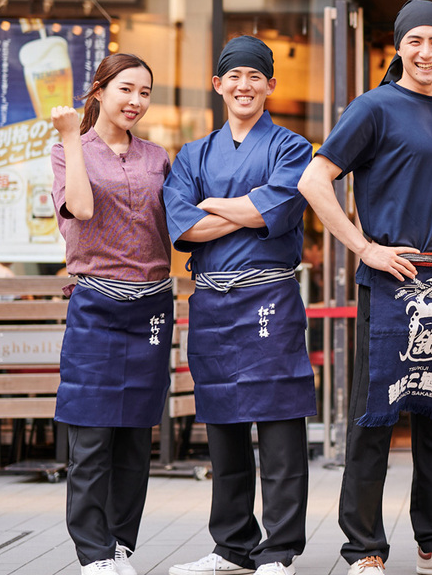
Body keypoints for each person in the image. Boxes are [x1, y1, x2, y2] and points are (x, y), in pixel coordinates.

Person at [297, 0, 432, 575]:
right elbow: (314, 179)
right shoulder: (374, 107)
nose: (426, 52)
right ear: (398, 47)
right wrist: (365, 248)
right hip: (389, 283)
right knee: (374, 418)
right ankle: (364, 549)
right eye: (415, 42)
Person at [164, 36, 316, 575]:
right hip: (210, 303)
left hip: (267, 294)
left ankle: (279, 550)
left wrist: (217, 207)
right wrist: (248, 209)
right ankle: (232, 547)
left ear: (271, 85)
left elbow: (280, 203)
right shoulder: (191, 154)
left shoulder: (292, 148)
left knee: (278, 424)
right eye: (235, 76)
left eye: (256, 76)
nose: (245, 85)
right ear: (218, 85)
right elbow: (183, 222)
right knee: (223, 425)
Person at [51, 53, 172, 575]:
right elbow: (79, 207)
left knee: (135, 434)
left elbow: (180, 222)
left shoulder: (157, 156)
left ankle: (121, 544)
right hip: (96, 303)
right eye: (126, 89)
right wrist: (72, 139)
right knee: (93, 432)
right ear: (98, 90)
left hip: (151, 302)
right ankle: (93, 552)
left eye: (144, 92)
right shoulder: (66, 152)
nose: (136, 101)